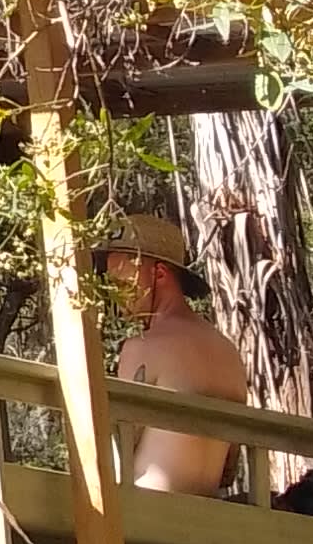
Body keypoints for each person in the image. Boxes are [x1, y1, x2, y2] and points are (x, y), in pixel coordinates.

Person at [98, 212, 248, 495]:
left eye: (122, 283)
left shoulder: (141, 347)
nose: (115, 296)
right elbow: (229, 469)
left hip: (145, 510)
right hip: (209, 512)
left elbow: (119, 453)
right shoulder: (229, 354)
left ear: (160, 274)